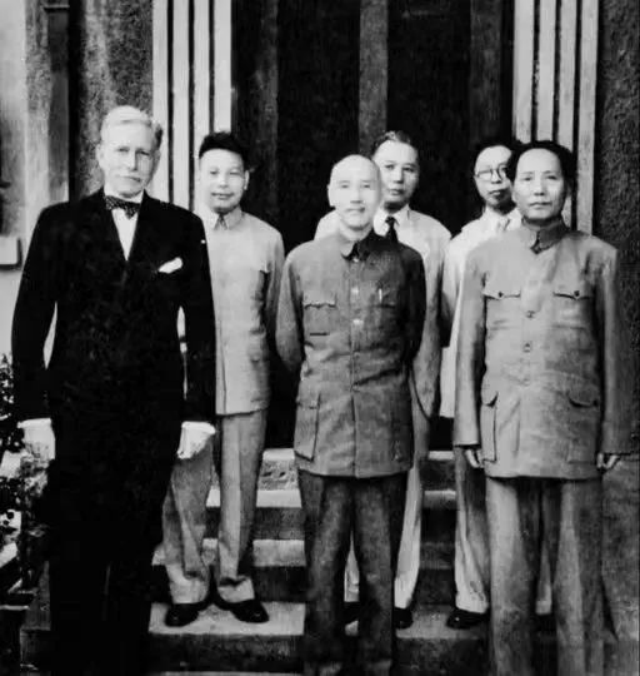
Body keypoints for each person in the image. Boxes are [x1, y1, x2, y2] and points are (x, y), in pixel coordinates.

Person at [11, 106, 216, 676]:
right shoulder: (59, 223)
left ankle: (125, 665)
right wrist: (34, 416)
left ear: (157, 160)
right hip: (75, 419)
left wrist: (197, 413)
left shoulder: (181, 227)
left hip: (150, 422)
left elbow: (203, 327)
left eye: (143, 152)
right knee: (75, 552)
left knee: (132, 555)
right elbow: (28, 326)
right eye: (121, 151)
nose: (132, 162)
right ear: (100, 154)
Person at [454, 140, 633, 675]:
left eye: (550, 178)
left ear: (568, 188)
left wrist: (614, 433)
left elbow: (616, 352)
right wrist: (468, 429)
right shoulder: (483, 258)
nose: (538, 189)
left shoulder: (598, 257)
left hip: (574, 437)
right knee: (508, 587)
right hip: (504, 433)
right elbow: (468, 351)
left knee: (577, 588)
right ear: (511, 188)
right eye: (527, 178)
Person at [277, 155, 426, 675]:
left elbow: (409, 339)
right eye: (345, 185)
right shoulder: (301, 261)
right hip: (324, 434)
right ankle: (322, 664)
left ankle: (378, 664)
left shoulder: (406, 262)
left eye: (367, 185)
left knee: (380, 568)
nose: (357, 196)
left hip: (384, 433)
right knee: (322, 565)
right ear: (330, 193)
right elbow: (289, 346)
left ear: (380, 193)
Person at [315, 131, 450, 629]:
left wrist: (420, 382)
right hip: (349, 385)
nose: (397, 177)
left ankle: (397, 594)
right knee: (350, 489)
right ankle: (355, 591)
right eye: (387, 167)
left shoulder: (436, 236)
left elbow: (438, 315)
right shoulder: (331, 225)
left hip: (409, 380)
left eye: (408, 168)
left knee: (404, 492)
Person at [162, 132, 284, 627]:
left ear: (247, 179)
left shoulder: (268, 239)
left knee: (240, 492)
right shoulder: (170, 232)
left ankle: (236, 582)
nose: (222, 182)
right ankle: (186, 585)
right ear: (198, 175)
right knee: (183, 494)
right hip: (183, 386)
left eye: (233, 172)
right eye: (213, 171)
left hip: (244, 381)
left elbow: (276, 316)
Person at [440, 137, 552, 629]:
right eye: (486, 171)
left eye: (506, 169)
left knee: (536, 494)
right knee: (472, 496)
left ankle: (540, 601)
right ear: (474, 180)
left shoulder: (552, 241)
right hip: (477, 384)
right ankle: (472, 595)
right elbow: (452, 317)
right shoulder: (461, 244)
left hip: (532, 387)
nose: (497, 180)